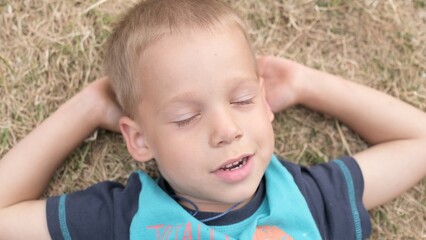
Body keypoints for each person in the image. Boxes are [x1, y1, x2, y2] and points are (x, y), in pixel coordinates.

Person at [0, 0, 425, 239]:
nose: (226, 130)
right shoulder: (126, 217)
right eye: (186, 117)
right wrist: (88, 107)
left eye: (242, 99)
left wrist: (305, 82)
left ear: (264, 102)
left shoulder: (309, 198)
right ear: (140, 139)